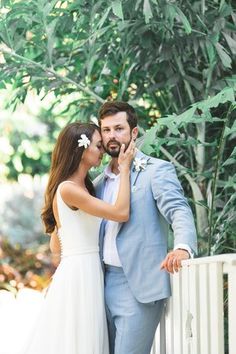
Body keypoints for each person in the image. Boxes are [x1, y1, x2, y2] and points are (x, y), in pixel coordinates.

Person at [21, 122, 135, 354]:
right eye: (97, 146)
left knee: (78, 338)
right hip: (81, 273)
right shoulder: (69, 189)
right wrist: (125, 170)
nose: (102, 151)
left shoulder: (80, 188)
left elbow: (55, 246)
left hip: (80, 270)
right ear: (81, 150)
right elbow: (121, 213)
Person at [94, 101, 198, 354]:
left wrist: (183, 247)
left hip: (138, 286)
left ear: (134, 132)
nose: (112, 136)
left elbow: (178, 210)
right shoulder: (97, 184)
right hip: (98, 283)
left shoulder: (156, 170)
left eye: (119, 128)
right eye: (106, 130)